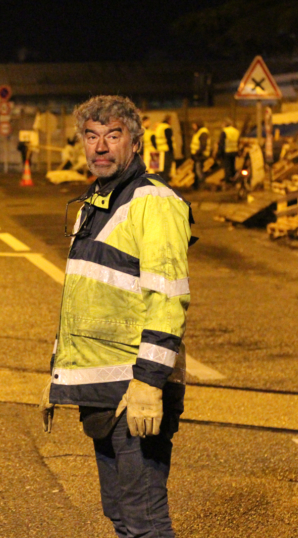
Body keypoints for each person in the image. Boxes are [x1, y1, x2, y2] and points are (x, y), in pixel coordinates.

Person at [40, 95, 191, 538]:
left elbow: (168, 298)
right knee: (122, 515)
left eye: (113, 135)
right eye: (91, 136)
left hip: (134, 388)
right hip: (101, 386)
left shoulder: (153, 202)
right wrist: (58, 372)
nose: (100, 147)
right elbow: (84, 299)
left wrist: (148, 382)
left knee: (143, 520)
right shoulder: (99, 200)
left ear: (136, 141)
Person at [217, 118, 240, 184]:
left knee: (227, 166)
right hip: (234, 151)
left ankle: (228, 181)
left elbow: (221, 143)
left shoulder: (224, 131)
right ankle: (233, 179)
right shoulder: (236, 131)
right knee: (233, 165)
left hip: (227, 151)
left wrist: (219, 153)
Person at [190, 120, 211, 190]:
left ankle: (202, 185)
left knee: (198, 170)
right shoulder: (199, 132)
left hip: (201, 155)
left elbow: (203, 146)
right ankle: (196, 186)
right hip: (198, 155)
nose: (193, 127)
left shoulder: (203, 133)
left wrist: (196, 153)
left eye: (194, 125)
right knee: (196, 170)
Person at [153, 115, 174, 182]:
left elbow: (153, 138)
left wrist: (156, 147)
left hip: (159, 150)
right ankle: (165, 183)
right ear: (169, 120)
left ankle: (160, 184)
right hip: (166, 150)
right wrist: (171, 150)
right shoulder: (166, 127)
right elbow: (169, 140)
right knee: (166, 168)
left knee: (161, 169)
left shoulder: (159, 127)